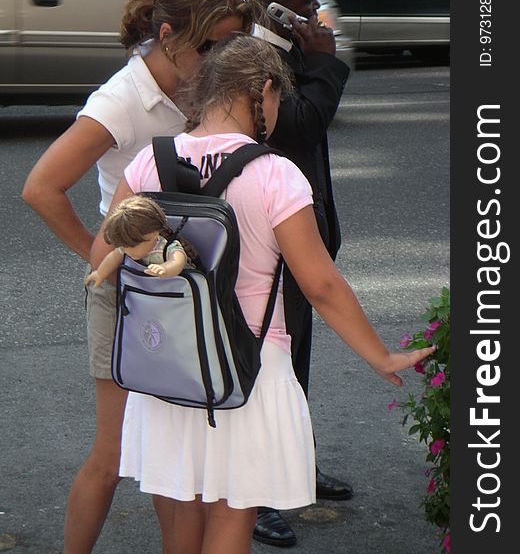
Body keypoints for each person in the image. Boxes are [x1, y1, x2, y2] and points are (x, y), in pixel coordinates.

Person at [89, 33, 434, 554]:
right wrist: (380, 355)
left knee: (185, 510)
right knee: (233, 514)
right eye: (277, 100)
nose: (274, 113)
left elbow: (103, 258)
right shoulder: (275, 174)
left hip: (167, 364)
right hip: (245, 367)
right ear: (263, 90)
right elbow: (320, 284)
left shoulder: (148, 163)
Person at [22, 0, 253, 554]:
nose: (223, 55)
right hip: (130, 291)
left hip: (187, 284)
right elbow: (41, 188)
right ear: (170, 33)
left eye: (232, 42)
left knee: (174, 450)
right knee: (115, 451)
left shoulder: (201, 81)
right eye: (211, 44)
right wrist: (102, 259)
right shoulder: (123, 100)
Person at [246, 0, 352, 544]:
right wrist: (327, 64)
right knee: (270, 372)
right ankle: (258, 495)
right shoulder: (252, 60)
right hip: (265, 249)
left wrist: (314, 58)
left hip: (300, 240)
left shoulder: (288, 50)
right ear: (273, 6)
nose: (315, 8)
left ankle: (295, 468)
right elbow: (299, 126)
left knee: (296, 367)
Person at [84, 194, 198, 289]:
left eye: (134, 245)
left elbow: (178, 261)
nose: (128, 250)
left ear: (154, 233)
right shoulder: (127, 249)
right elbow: (113, 257)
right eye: (124, 246)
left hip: (178, 292)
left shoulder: (166, 248)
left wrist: (165, 269)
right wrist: (100, 273)